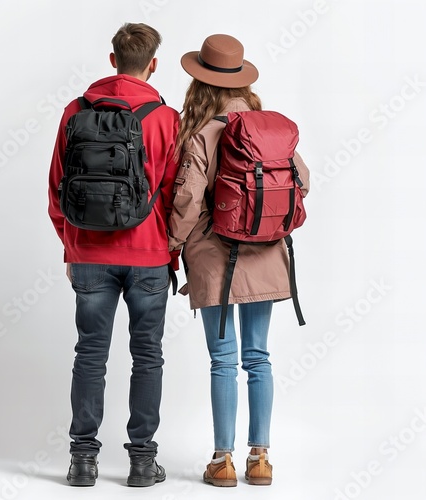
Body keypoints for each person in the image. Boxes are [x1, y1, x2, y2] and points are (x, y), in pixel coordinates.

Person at [169, 34, 310, 487]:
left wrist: (173, 243)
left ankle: (223, 460)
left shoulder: (204, 132)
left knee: (223, 360)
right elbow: (302, 182)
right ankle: (261, 459)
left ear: (200, 84)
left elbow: (189, 199)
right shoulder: (271, 129)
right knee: (259, 356)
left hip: (216, 259)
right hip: (268, 254)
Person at [48, 23, 180, 488]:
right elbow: (172, 195)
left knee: (90, 354)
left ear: (111, 60)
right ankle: (142, 463)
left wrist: (72, 244)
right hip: (149, 255)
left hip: (89, 255)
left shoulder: (75, 110)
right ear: (153, 64)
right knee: (147, 356)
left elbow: (57, 188)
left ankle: (82, 461)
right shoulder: (166, 118)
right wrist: (171, 252)